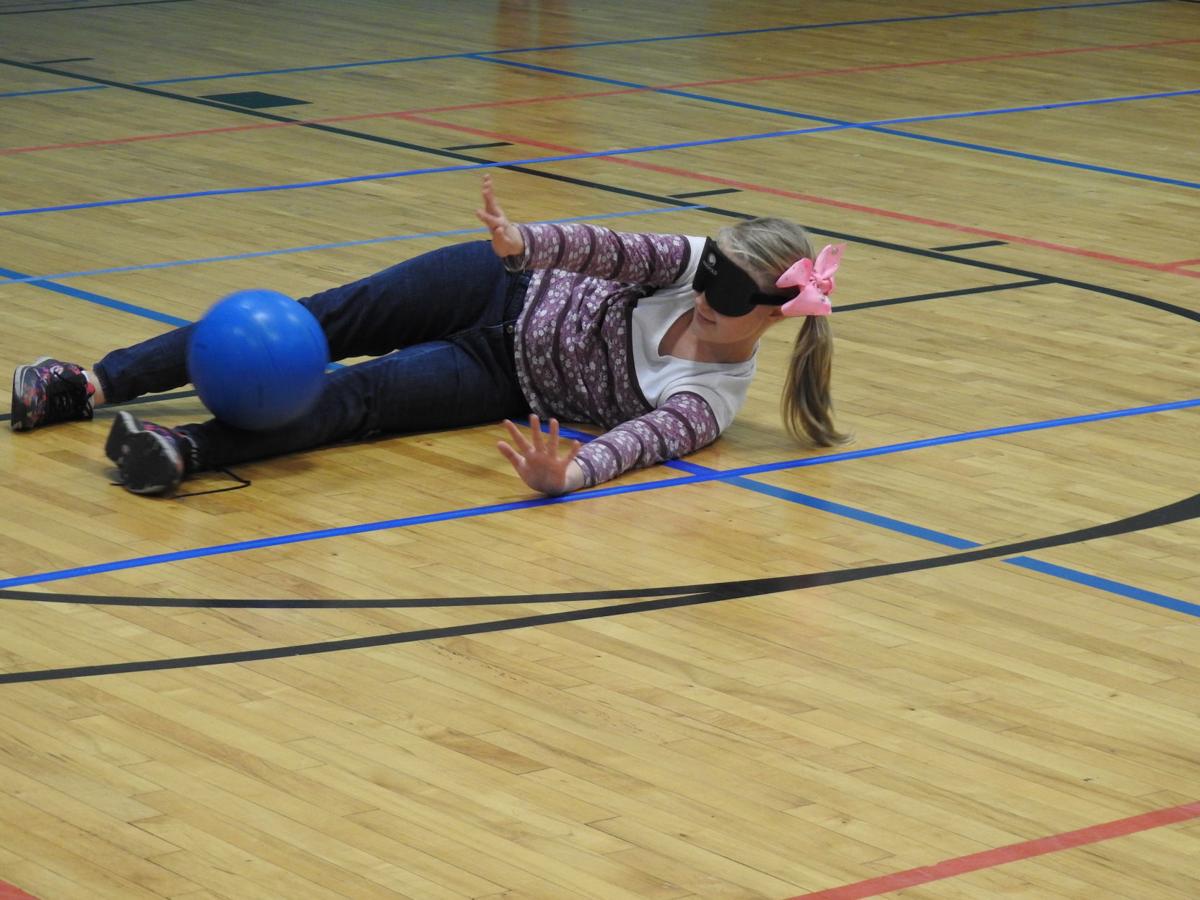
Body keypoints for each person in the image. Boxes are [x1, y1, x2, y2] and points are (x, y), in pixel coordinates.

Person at [9, 175, 849, 497]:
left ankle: (182, 449)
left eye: (733, 290)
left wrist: (571, 472)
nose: (709, 291)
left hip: (501, 372)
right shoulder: (693, 265)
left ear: (777, 312)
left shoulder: (706, 400)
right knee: (314, 321)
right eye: (712, 273)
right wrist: (528, 244)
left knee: (356, 399)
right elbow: (617, 247)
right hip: (501, 281)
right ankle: (86, 384)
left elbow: (638, 444)